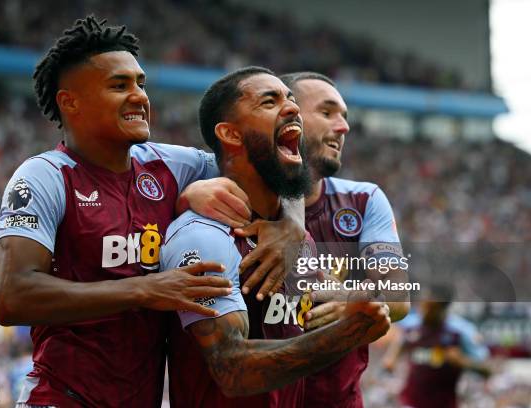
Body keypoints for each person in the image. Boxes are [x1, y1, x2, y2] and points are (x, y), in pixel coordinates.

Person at [0, 17, 303, 407]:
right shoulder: (43, 176)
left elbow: (269, 167)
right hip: (61, 396)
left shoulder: (172, 166)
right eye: (119, 85)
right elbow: (12, 296)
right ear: (71, 101)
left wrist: (292, 225)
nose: (139, 96)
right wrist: (145, 289)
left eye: (141, 83)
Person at [160, 66, 391, 407]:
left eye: (292, 100)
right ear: (231, 134)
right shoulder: (203, 235)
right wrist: (347, 333)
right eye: (270, 101)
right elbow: (231, 369)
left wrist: (350, 303)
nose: (291, 108)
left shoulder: (301, 239)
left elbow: (391, 296)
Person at [280, 71, 410, 407]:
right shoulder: (232, 194)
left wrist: (351, 298)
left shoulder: (364, 200)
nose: (343, 127)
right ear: (286, 117)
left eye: (344, 116)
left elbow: (398, 296)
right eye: (327, 113)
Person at [383, 287, 491, 408]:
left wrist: (463, 361)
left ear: (443, 308)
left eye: (431, 308)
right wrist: (392, 358)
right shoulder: (412, 325)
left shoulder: (461, 331)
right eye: (423, 306)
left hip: (444, 403)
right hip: (410, 401)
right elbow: (400, 342)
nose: (424, 312)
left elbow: (487, 369)